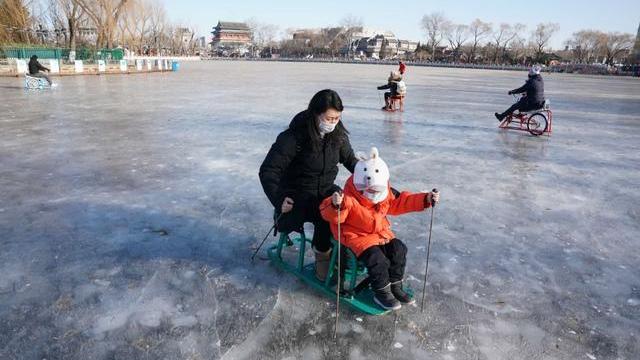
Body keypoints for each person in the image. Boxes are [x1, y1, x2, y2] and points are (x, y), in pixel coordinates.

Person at [319, 147, 440, 310]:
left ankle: (395, 285)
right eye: (371, 190)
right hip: (356, 237)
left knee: (398, 249)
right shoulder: (347, 199)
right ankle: (381, 292)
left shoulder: (385, 194)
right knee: (377, 260)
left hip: (380, 234)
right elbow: (331, 214)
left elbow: (401, 202)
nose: (375, 193)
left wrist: (426, 198)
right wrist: (335, 205)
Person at [259, 89, 358, 281]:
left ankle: (348, 253)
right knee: (326, 213)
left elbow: (350, 161)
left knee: (350, 208)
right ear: (316, 113)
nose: (333, 123)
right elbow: (268, 170)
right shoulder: (294, 137)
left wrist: (371, 176)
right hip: (298, 194)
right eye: (329, 118)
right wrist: (279, 198)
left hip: (326, 188)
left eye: (337, 118)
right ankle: (323, 253)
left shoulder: (338, 135)